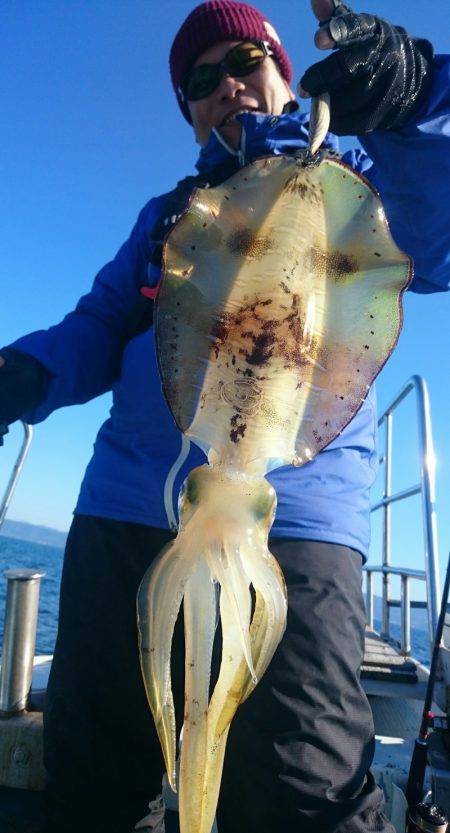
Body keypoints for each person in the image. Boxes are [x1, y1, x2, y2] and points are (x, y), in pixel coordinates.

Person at [1, 1, 449, 831]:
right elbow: (98, 326)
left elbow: (442, 226)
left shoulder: (363, 181)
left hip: (299, 520)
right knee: (91, 778)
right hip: (124, 512)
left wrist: (415, 95)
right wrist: (20, 373)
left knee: (300, 791)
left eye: (244, 61)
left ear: (284, 69)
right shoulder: (175, 217)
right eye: (200, 81)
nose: (227, 87)